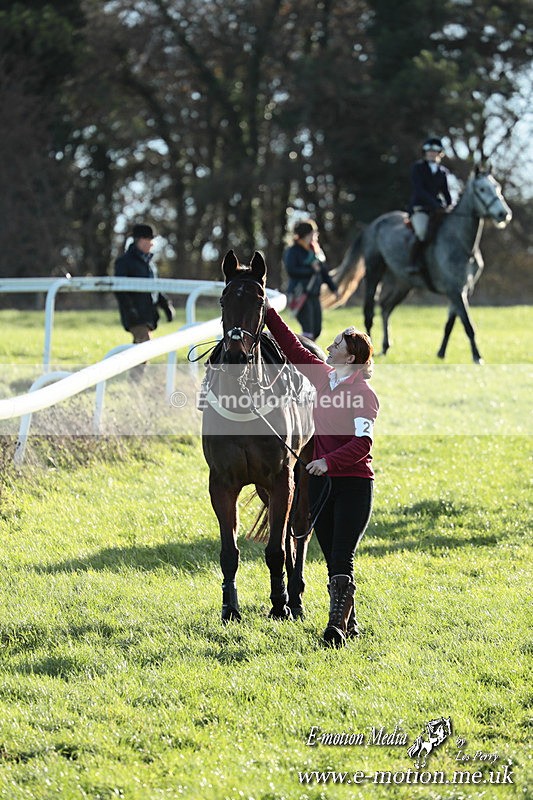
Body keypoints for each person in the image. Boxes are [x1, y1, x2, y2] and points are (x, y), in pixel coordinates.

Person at [264, 296, 379, 647]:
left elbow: (364, 445)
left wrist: (327, 461)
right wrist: (267, 311)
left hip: (354, 485)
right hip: (322, 485)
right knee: (331, 558)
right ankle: (351, 620)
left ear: (353, 357)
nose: (329, 346)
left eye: (337, 344)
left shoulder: (363, 394)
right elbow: (293, 347)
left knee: (343, 556)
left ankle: (336, 629)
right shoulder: (324, 378)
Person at [114, 223, 175, 344]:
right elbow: (120, 289)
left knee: (142, 349)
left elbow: (155, 287)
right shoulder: (124, 262)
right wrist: (130, 309)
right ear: (141, 240)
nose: (152, 244)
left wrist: (165, 305)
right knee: (143, 350)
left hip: (148, 315)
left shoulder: (150, 264)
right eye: (149, 239)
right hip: (136, 317)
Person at [283, 219, 338, 340]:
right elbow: (291, 270)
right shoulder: (293, 250)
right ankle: (304, 356)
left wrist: (333, 288)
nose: (316, 235)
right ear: (306, 234)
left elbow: (323, 271)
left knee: (316, 330)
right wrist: (311, 270)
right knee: (308, 331)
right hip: (301, 294)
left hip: (314, 294)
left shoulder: (316, 251)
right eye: (313, 232)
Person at [407, 137, 453, 274]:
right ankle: (413, 262)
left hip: (437, 210)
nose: (432, 154)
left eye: (435, 151)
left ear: (440, 153)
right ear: (425, 153)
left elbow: (446, 192)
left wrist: (450, 205)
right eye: (429, 151)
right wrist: (435, 204)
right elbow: (419, 190)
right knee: (422, 232)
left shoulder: (443, 172)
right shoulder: (417, 168)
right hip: (420, 208)